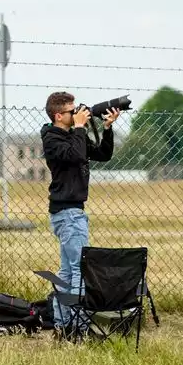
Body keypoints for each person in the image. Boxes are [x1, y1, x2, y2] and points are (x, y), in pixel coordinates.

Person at [40, 92, 120, 329]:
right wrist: (80, 128)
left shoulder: (75, 135)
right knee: (79, 269)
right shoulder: (52, 139)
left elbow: (103, 155)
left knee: (67, 270)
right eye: (71, 111)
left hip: (72, 211)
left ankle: (63, 322)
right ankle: (79, 326)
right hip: (67, 213)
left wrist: (107, 128)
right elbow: (74, 156)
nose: (76, 114)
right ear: (58, 115)